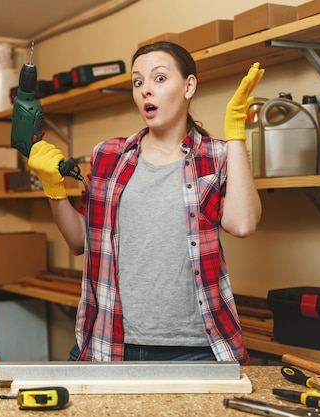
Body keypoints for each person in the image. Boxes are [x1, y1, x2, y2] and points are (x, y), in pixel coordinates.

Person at [27, 41, 263, 364]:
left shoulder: (216, 155)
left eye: (160, 79)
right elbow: (80, 240)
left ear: (189, 86)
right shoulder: (108, 156)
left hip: (196, 348)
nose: (146, 91)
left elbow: (243, 223)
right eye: (138, 82)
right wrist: (54, 190)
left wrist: (236, 134)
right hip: (110, 344)